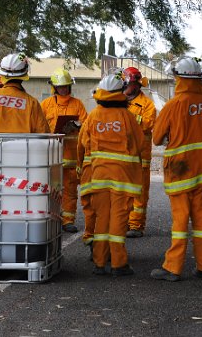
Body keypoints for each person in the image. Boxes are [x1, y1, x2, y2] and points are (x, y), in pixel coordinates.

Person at [150, 57, 202, 282]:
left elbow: (156, 137)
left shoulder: (174, 104)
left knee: (181, 222)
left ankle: (173, 267)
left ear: (179, 78)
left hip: (181, 171)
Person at [77, 72, 146, 277]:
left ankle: (99, 262)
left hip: (98, 176)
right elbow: (139, 143)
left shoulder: (94, 115)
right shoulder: (127, 116)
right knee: (118, 220)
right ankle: (118, 263)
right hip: (122, 177)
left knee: (101, 219)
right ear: (120, 92)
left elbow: (83, 142)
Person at [41, 68, 88, 233]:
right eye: (61, 87)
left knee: (70, 190)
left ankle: (68, 220)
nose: (64, 89)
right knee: (52, 190)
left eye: (66, 86)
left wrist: (76, 126)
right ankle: (52, 219)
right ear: (54, 87)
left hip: (71, 157)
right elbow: (39, 128)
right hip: (52, 156)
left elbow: (86, 124)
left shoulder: (77, 104)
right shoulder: (46, 105)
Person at [122, 66, 157, 238]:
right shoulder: (118, 101)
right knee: (122, 191)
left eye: (128, 84)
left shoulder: (147, 105)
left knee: (140, 192)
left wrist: (125, 119)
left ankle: (136, 225)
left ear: (136, 85)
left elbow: (147, 124)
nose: (125, 87)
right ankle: (122, 222)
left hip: (140, 156)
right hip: (121, 155)